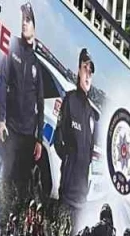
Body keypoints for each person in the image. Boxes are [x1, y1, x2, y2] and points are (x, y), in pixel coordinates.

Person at [0, 3, 45, 204]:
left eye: (28, 20)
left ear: (35, 27)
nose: (24, 23)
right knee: (3, 184)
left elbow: (40, 103)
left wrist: (39, 140)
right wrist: (1, 119)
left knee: (20, 189)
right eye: (23, 19)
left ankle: (13, 220)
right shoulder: (12, 47)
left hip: (27, 138)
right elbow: (2, 81)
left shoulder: (37, 64)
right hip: (11, 130)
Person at [53, 49, 98, 210]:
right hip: (67, 194)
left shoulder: (91, 113)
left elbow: (90, 152)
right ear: (79, 70)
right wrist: (68, 161)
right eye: (85, 68)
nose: (88, 75)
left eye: (90, 72)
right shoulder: (69, 100)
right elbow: (58, 138)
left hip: (82, 198)